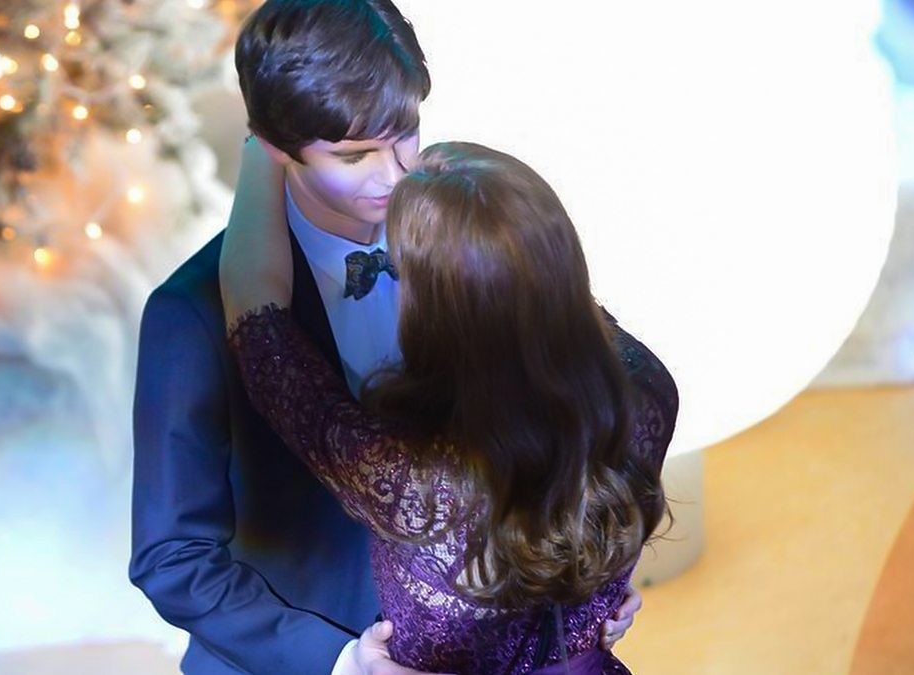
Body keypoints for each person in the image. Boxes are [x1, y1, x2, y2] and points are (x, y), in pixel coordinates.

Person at [130, 1, 641, 672]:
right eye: (354, 155)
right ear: (277, 149)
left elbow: (549, 424)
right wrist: (341, 661)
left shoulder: (471, 240)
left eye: (404, 133)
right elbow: (172, 558)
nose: (395, 175)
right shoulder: (189, 313)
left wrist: (583, 583)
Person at [218, 139, 679, 674]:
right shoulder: (649, 386)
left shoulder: (405, 472)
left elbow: (256, 315)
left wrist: (264, 139)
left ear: (433, 305)